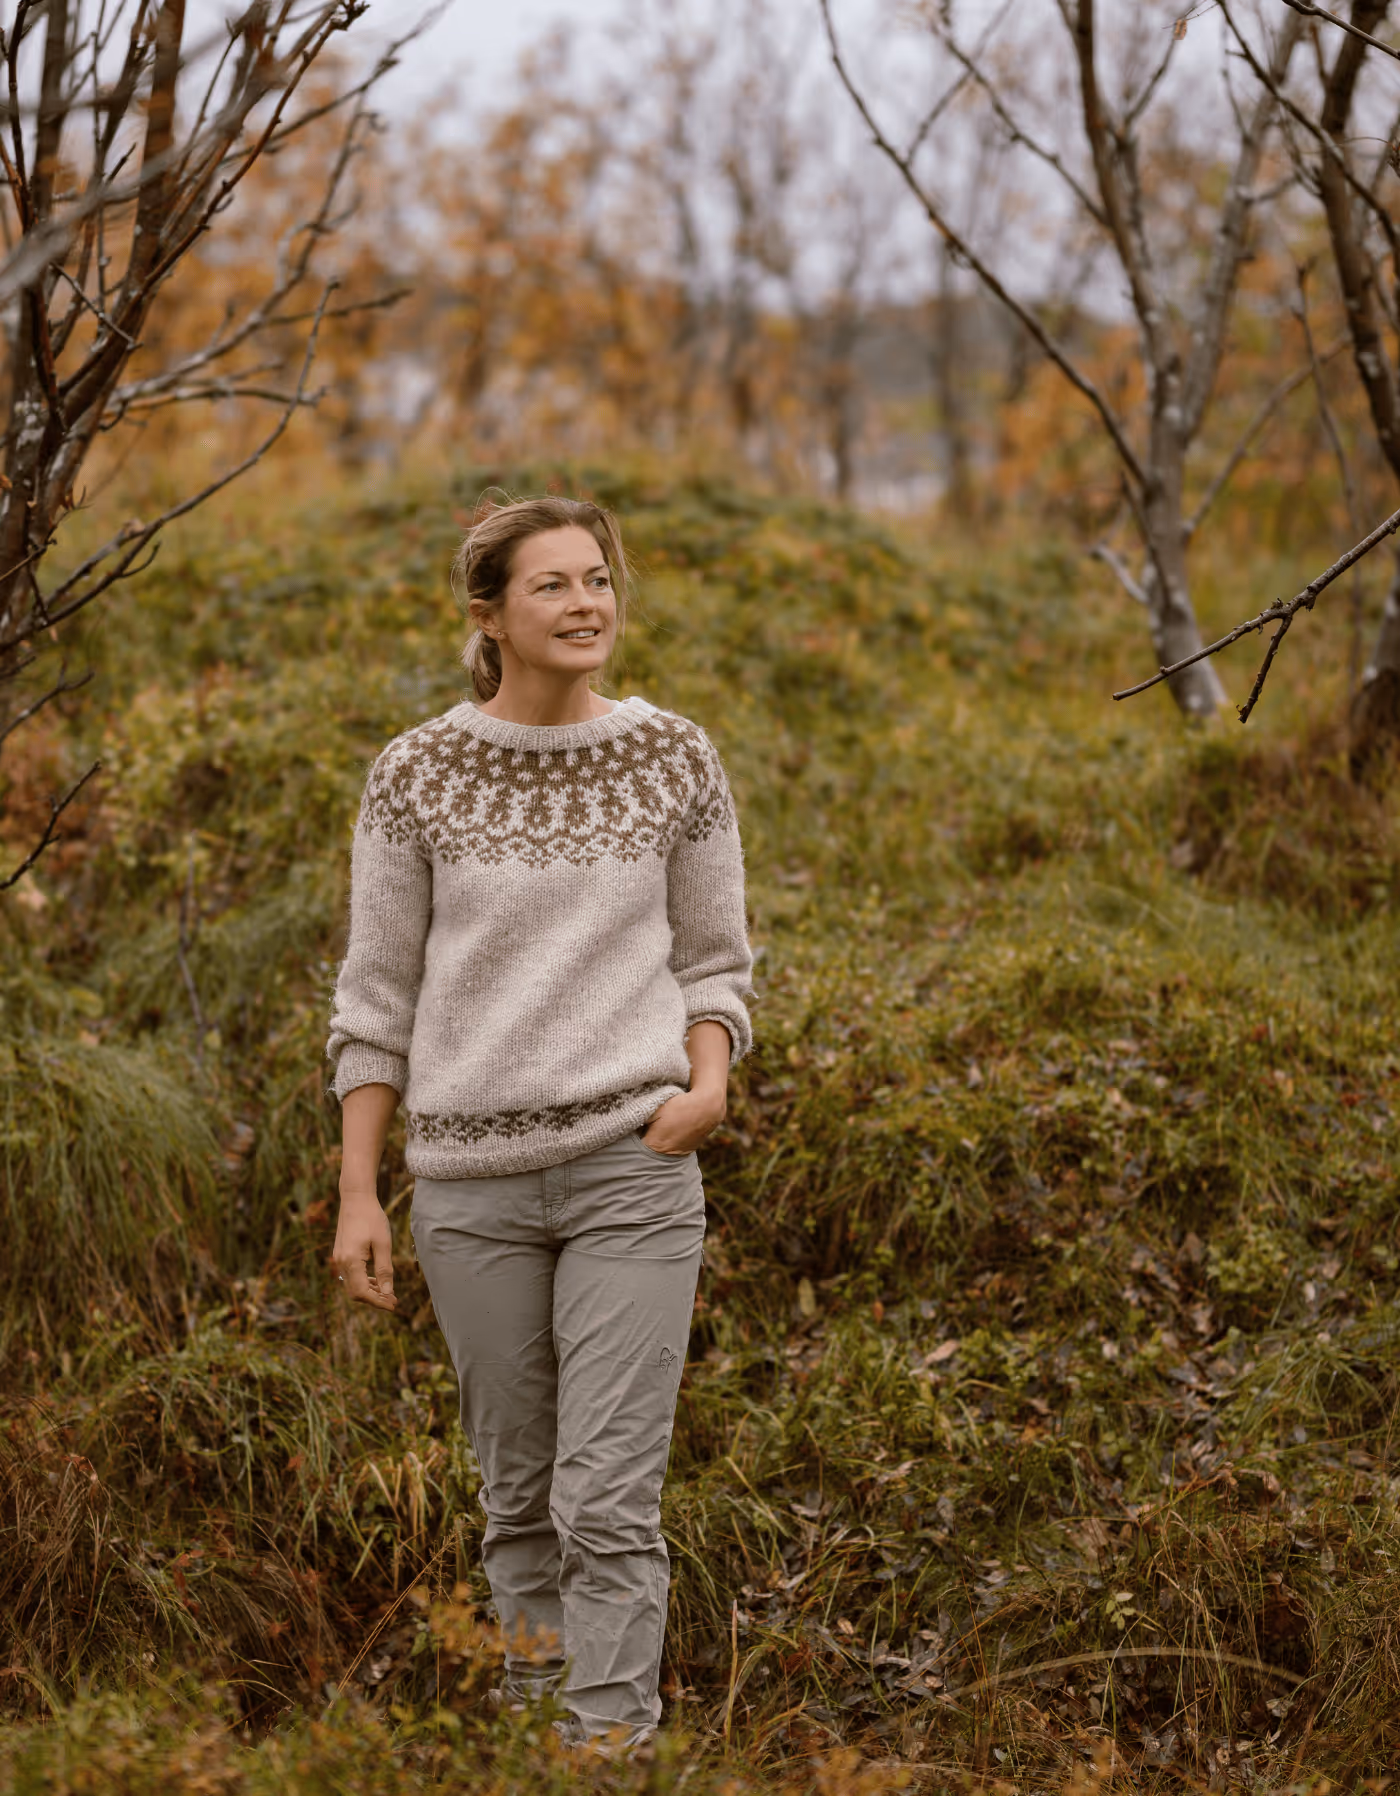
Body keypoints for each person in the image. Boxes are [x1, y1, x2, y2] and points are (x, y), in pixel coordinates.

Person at [326, 495, 753, 1747]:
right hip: (470, 1192)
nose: (585, 604)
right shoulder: (416, 772)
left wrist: (706, 1082)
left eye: (598, 579)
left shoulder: (675, 755)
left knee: (606, 1497)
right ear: (489, 614)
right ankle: (530, 1747)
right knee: (517, 1497)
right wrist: (362, 1193)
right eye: (553, 585)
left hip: (634, 1169)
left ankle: (605, 1757)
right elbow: (375, 995)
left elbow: (715, 957)